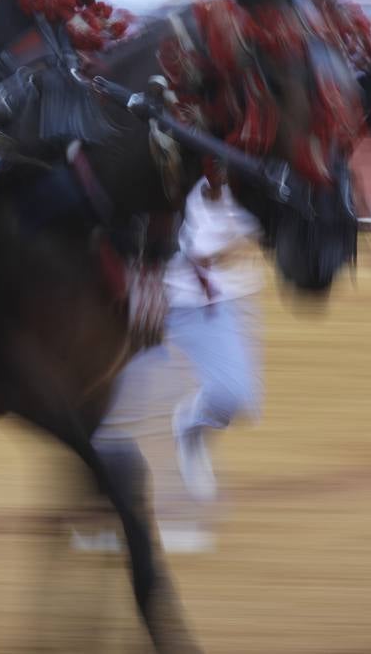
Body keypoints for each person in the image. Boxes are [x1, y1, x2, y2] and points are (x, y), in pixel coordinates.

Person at [89, 174, 262, 552]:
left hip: (212, 298)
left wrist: (220, 249)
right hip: (143, 291)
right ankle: (108, 518)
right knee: (118, 410)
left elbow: (251, 231)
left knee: (235, 394)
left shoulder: (233, 164)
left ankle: (192, 426)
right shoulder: (139, 148)